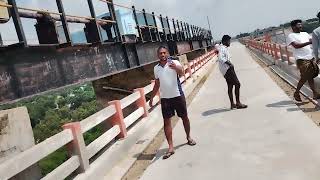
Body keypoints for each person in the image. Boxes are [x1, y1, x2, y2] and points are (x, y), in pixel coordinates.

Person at [149, 46, 196, 159]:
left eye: (164, 53)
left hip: (178, 95)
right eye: (160, 53)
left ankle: (188, 137)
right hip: (165, 99)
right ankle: (170, 147)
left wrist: (176, 68)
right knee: (166, 122)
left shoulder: (174, 62)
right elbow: (157, 83)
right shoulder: (156, 68)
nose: (163, 55)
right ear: (158, 55)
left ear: (168, 53)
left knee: (184, 117)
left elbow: (182, 73)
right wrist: (151, 97)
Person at [287, 19, 320, 102]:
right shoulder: (291, 36)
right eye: (298, 25)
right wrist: (309, 43)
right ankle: (296, 92)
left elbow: (313, 42)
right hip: (301, 59)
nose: (301, 26)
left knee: (310, 77)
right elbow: (296, 46)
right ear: (293, 27)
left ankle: (315, 94)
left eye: (301, 25)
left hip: (311, 57)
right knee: (305, 77)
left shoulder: (305, 33)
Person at [218, 35, 247, 109]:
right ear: (225, 41)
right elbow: (221, 58)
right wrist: (230, 64)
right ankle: (238, 103)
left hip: (225, 70)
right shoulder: (222, 48)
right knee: (237, 84)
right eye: (228, 41)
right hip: (228, 70)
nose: (229, 42)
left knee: (230, 86)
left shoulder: (223, 47)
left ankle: (232, 104)